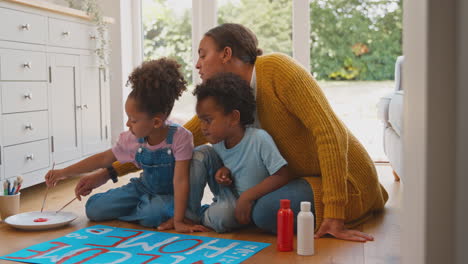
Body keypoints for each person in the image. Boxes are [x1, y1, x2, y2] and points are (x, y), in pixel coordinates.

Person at [76, 23, 388, 242]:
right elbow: (173, 140)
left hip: (347, 182)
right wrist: (109, 172)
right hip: (302, 180)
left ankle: (204, 213)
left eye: (203, 54)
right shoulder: (227, 101)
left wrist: (334, 211)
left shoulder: (278, 70)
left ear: (226, 54)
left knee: (265, 213)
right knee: (245, 197)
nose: (197, 64)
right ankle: (198, 214)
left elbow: (330, 133)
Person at [45, 58, 207, 233]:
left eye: (133, 120)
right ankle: (142, 208)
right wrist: (63, 173)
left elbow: (181, 181)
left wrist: (179, 220)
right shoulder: (132, 138)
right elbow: (103, 158)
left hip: (169, 195)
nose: (128, 124)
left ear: (156, 121)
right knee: (93, 208)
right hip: (142, 188)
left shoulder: (181, 137)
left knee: (153, 213)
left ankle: (150, 210)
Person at [183, 72, 304, 233]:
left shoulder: (259, 139)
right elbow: (229, 166)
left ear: (233, 117)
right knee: (200, 153)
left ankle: (206, 216)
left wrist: (248, 196)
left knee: (224, 216)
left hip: (250, 203)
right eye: (201, 120)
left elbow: (282, 175)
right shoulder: (218, 142)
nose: (203, 127)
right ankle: (189, 216)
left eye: (208, 120)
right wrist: (224, 171)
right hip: (228, 196)